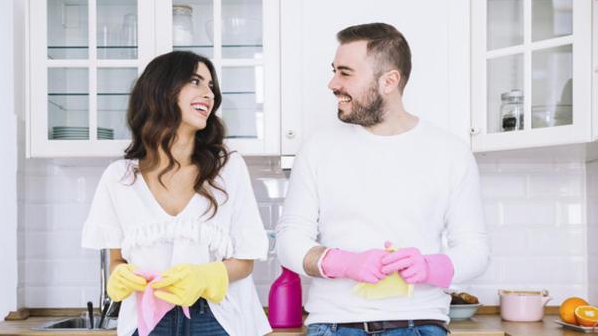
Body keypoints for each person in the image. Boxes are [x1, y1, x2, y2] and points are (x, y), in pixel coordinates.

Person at [275, 23, 489, 336]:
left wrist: (429, 267)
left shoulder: (450, 152)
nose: (333, 83)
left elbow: (476, 250)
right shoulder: (318, 147)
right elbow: (288, 240)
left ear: (389, 81)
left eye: (345, 73)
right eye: (334, 71)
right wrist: (343, 263)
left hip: (421, 325)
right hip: (335, 326)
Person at [81, 51, 271, 336]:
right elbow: (117, 260)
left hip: (215, 318)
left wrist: (205, 276)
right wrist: (120, 275)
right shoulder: (119, 178)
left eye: (211, 86)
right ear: (161, 90)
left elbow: (245, 262)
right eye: (196, 81)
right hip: (146, 320)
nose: (209, 94)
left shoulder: (228, 168)